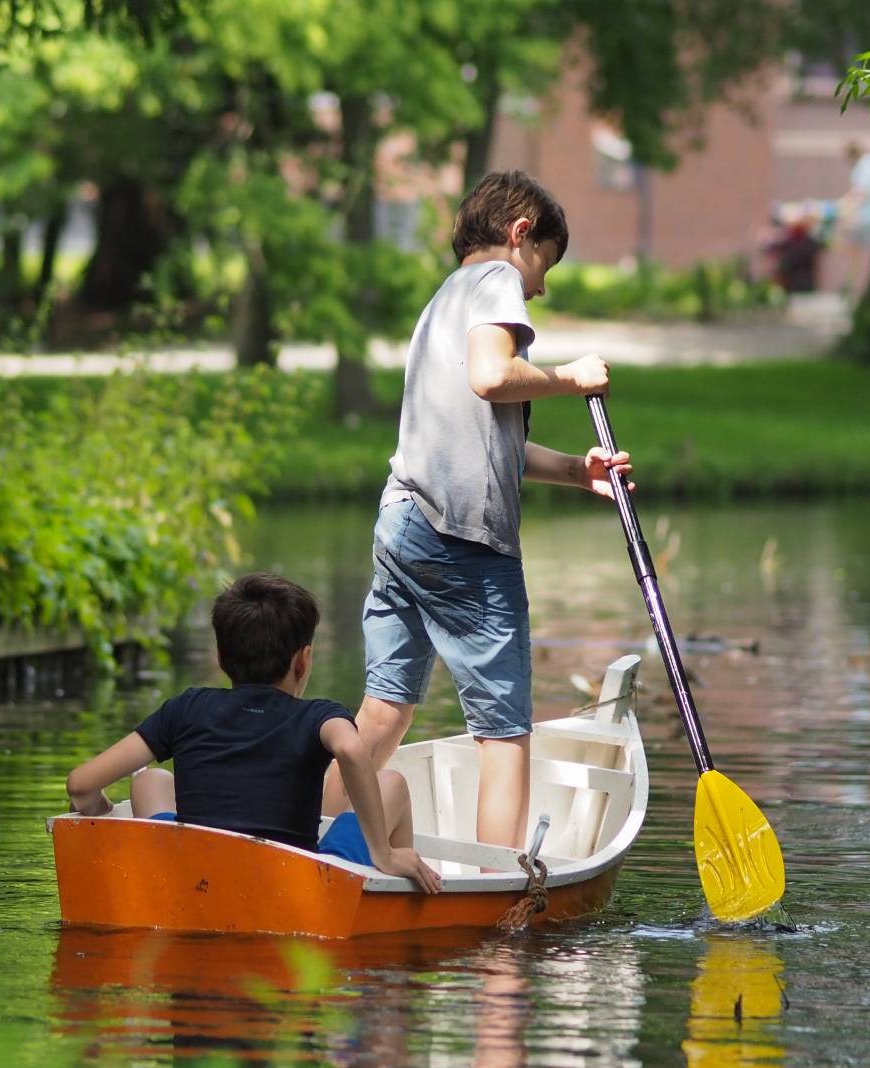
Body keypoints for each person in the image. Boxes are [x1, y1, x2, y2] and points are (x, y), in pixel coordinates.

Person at [329, 170, 632, 850]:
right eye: (543, 266)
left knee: (383, 714)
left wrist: (577, 473)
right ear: (519, 234)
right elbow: (492, 379)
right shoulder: (496, 281)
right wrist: (569, 377)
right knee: (504, 732)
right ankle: (498, 891)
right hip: (463, 539)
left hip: (402, 521)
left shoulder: (442, 301)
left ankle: (302, 838)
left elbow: (490, 437)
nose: (541, 288)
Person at [64, 572, 441, 893]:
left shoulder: (186, 707)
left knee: (150, 781)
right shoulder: (317, 715)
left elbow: (81, 784)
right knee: (390, 782)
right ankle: (394, 882)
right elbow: (353, 751)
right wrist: (383, 851)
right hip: (293, 880)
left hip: (196, 876)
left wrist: (99, 810)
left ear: (221, 657)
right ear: (303, 660)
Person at [838, 141, 870, 294]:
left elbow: (862, 193)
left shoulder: (867, 165)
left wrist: (844, 207)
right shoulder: (867, 164)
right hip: (868, 218)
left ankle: (861, 287)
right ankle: (853, 285)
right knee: (858, 252)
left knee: (864, 254)